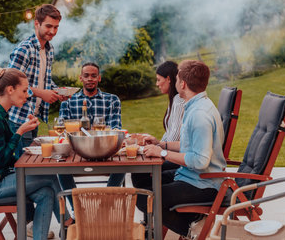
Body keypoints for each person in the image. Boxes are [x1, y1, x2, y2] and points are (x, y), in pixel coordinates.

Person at [0, 67, 68, 240]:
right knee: (50, 176)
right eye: (24, 91)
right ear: (10, 90)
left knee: (46, 192)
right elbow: (0, 160)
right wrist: (19, 133)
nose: (27, 95)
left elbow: (4, 158)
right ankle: (68, 222)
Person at [144, 60, 226, 238]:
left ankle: (193, 229)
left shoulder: (199, 114)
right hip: (191, 176)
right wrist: (160, 144)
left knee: (148, 198)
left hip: (204, 183)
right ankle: (190, 221)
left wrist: (163, 154)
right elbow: (188, 145)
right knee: (145, 187)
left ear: (182, 83)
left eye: (176, 79)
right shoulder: (195, 106)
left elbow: (200, 160)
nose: (174, 82)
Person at [7, 4, 67, 148]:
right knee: (27, 166)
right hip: (18, 120)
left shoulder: (49, 49)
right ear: (36, 24)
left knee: (34, 164)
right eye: (48, 26)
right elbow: (11, 86)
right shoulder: (24, 50)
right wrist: (41, 93)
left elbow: (42, 79)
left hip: (33, 117)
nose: (52, 31)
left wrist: (58, 91)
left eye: (56, 27)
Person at [131, 60, 185, 217]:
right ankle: (151, 219)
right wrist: (156, 143)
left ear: (169, 79)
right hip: (174, 152)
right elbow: (170, 133)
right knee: (139, 171)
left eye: (159, 80)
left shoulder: (179, 102)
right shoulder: (174, 100)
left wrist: (158, 148)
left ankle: (153, 219)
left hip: (178, 157)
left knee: (141, 172)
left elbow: (174, 137)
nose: (157, 84)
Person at [58, 62, 124, 189]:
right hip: (77, 152)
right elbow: (64, 132)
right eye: (86, 75)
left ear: (99, 78)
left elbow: (115, 129)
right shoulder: (68, 101)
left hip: (105, 151)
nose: (90, 79)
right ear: (80, 78)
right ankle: (76, 207)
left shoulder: (112, 100)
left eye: (93, 76)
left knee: (123, 166)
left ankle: (105, 200)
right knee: (60, 168)